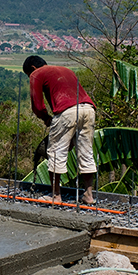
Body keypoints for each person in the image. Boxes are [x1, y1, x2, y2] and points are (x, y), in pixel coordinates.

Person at [23, 55, 97, 205]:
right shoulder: (66, 70)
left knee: (56, 152)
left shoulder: (36, 74)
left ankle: (56, 196)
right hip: (89, 109)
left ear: (32, 68)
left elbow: (37, 106)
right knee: (86, 152)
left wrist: (45, 118)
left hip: (67, 111)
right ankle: (89, 195)